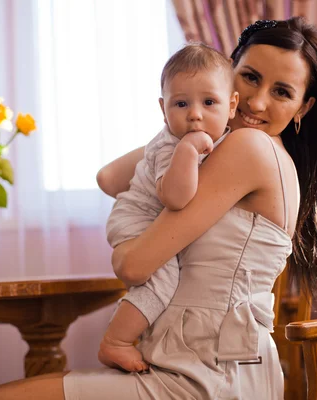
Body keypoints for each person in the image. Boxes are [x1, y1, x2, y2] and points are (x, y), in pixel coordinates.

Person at [0, 16, 317, 400]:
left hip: (212, 376)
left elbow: (133, 265)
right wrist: (191, 130)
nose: (257, 102)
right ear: (229, 80)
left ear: (303, 108)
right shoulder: (225, 147)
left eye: (281, 92)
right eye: (250, 77)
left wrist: (128, 246)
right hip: (192, 363)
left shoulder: (250, 148)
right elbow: (110, 177)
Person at [98, 42, 239, 373]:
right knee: (160, 282)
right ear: (164, 110)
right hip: (137, 219)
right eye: (181, 103)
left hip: (147, 221)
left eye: (209, 102)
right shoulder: (170, 146)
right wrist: (188, 152)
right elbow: (176, 199)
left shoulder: (228, 141)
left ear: (232, 105)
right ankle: (115, 341)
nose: (195, 113)